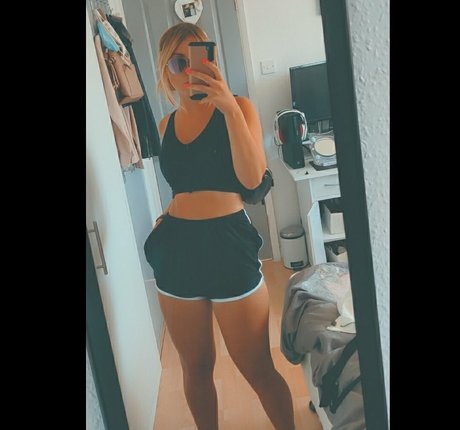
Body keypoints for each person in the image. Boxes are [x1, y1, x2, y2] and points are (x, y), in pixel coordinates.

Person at [144, 22, 295, 430]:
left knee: (258, 369)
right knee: (195, 368)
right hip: (176, 250)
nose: (189, 71)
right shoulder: (165, 126)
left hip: (229, 245)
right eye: (178, 63)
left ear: (211, 60)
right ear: (166, 71)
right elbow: (183, 186)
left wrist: (228, 107)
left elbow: (252, 179)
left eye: (197, 59)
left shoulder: (239, 107)